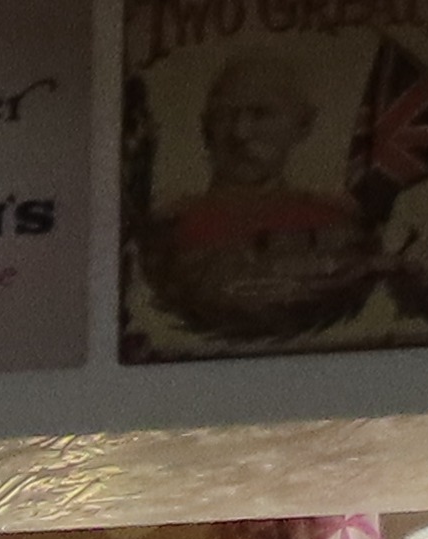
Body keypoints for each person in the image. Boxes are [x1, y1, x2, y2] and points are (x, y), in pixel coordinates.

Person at [147, 51, 377, 341]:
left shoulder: (337, 222)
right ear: (205, 128)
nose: (240, 133)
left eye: (261, 114)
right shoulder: (166, 229)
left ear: (303, 125)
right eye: (225, 115)